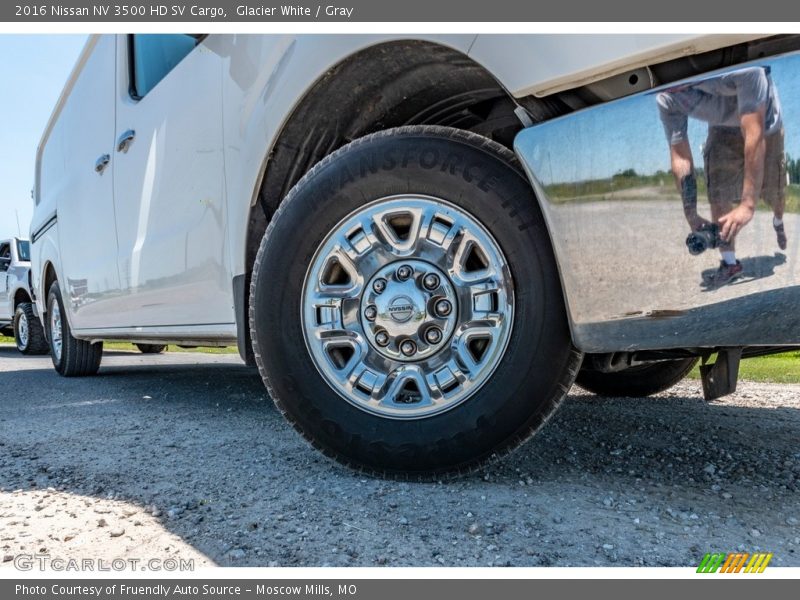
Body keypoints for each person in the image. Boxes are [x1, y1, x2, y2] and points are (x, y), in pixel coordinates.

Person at [657, 66, 786, 286]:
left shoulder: (744, 70)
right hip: (721, 126)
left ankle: (778, 220)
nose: (675, 89)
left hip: (765, 123)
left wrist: (747, 205)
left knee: (774, 193)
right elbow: (680, 156)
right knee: (717, 190)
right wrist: (692, 215)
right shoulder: (666, 96)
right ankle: (730, 263)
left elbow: (753, 134)